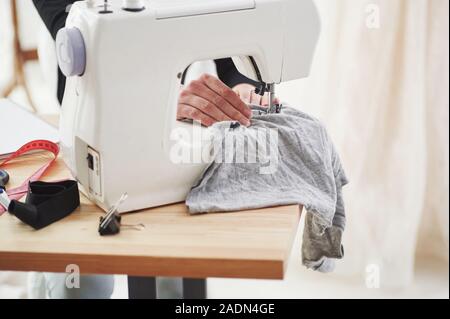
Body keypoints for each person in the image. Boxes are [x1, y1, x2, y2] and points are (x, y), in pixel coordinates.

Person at [32, 0, 276, 298]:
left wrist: (240, 87)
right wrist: (156, 101)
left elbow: (229, 36)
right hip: (92, 114)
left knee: (172, 271)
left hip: (160, 127)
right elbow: (85, 39)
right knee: (80, 283)